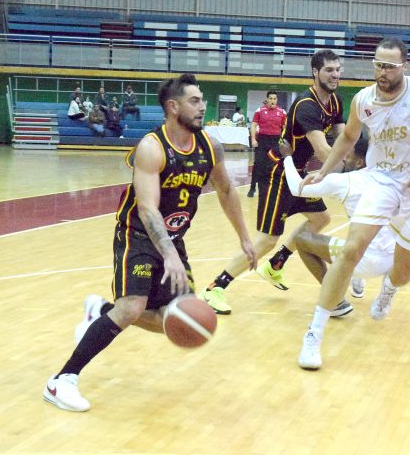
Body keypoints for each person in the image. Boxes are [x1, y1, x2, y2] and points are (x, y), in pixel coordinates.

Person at [43, 73, 256, 412]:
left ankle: (100, 312)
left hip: (173, 239)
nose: (203, 107)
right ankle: (62, 380)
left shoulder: (209, 146)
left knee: (175, 321)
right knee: (132, 307)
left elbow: (227, 191)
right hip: (138, 233)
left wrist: (245, 238)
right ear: (173, 107)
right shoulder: (151, 148)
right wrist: (169, 253)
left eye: (202, 100)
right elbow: (147, 208)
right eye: (194, 101)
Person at [296, 37, 410, 370]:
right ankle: (314, 334)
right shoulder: (363, 99)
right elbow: (347, 138)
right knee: (350, 251)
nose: (382, 71)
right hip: (381, 182)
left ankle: (389, 288)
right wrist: (323, 171)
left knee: (403, 273)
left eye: (389, 66)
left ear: (405, 66)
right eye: (378, 64)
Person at [203, 50, 344, 315]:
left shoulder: (335, 101)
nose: (335, 74)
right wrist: (356, 168)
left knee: (321, 218)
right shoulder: (307, 105)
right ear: (315, 72)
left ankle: (277, 263)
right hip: (278, 171)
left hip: (297, 172)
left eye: (338, 69)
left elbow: (344, 138)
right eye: (329, 70)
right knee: (267, 239)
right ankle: (214, 288)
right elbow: (326, 152)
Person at [279, 136, 395, 316]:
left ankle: (335, 302)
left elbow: (296, 188)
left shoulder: (344, 182)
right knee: (360, 233)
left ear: (359, 162)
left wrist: (287, 157)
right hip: (392, 260)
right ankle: (359, 282)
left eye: (348, 156)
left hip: (367, 260)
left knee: (302, 240)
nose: (344, 159)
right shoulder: (388, 177)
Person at [246, 91, 286, 198]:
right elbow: (253, 126)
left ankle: (273, 188)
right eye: (270, 98)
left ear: (276, 100)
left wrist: (283, 140)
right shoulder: (260, 111)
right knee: (258, 164)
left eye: (274, 99)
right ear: (267, 99)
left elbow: (285, 127)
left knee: (275, 165)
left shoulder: (282, 112)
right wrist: (254, 139)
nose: (272, 101)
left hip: (275, 141)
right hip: (262, 141)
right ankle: (252, 188)